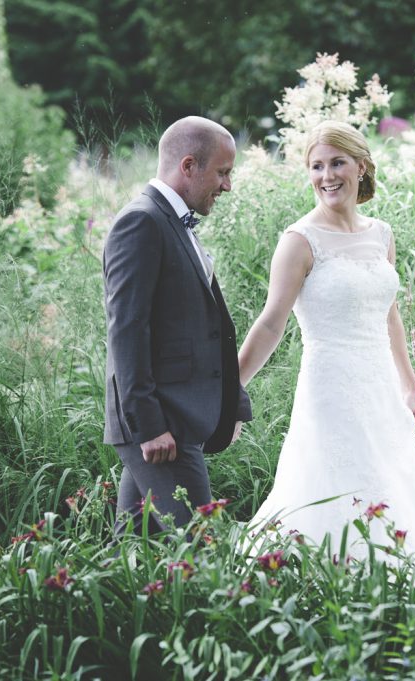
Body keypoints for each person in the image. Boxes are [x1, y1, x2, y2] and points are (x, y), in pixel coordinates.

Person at [238, 121, 415, 568]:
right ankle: (321, 584)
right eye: (316, 166)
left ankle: (397, 585)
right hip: (330, 386)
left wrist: (408, 382)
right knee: (332, 485)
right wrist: (231, 388)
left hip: (381, 389)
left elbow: (389, 313)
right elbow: (271, 323)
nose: (327, 176)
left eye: (337, 163)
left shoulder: (381, 234)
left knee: (391, 482)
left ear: (361, 166)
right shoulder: (299, 241)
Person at [103, 116, 252, 535]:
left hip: (176, 418)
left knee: (133, 548)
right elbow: (127, 332)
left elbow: (206, 327)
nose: (227, 186)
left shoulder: (173, 220)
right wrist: (149, 427)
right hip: (160, 424)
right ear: (188, 166)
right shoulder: (142, 222)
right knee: (200, 547)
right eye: (222, 173)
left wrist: (230, 401)